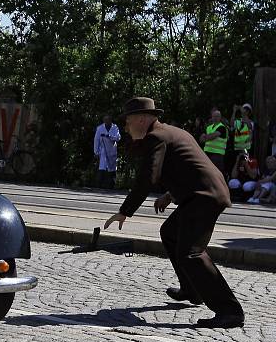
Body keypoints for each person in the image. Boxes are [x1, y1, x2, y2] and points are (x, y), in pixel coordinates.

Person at [104, 97, 244, 328]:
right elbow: (190, 166)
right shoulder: (170, 132)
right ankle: (192, 289)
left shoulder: (156, 137)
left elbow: (148, 177)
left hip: (204, 197)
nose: (126, 128)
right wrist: (170, 195)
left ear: (140, 119)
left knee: (191, 253)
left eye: (128, 122)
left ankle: (230, 311)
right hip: (204, 193)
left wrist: (125, 211)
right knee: (170, 232)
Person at [93, 114, 121, 189]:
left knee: (112, 169)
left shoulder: (115, 127)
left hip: (112, 150)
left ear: (110, 120)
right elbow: (96, 140)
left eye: (108, 120)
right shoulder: (100, 128)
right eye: (105, 120)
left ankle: (111, 186)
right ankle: (99, 185)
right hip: (103, 151)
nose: (106, 121)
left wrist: (109, 136)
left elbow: (118, 138)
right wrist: (96, 152)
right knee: (102, 167)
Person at [199, 109, 227, 174]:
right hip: (207, 154)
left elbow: (212, 136)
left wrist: (206, 136)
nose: (215, 118)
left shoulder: (222, 127)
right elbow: (201, 140)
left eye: (217, 116)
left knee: (215, 174)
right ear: (211, 117)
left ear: (220, 117)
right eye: (213, 116)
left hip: (217, 155)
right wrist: (208, 137)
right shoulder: (208, 127)